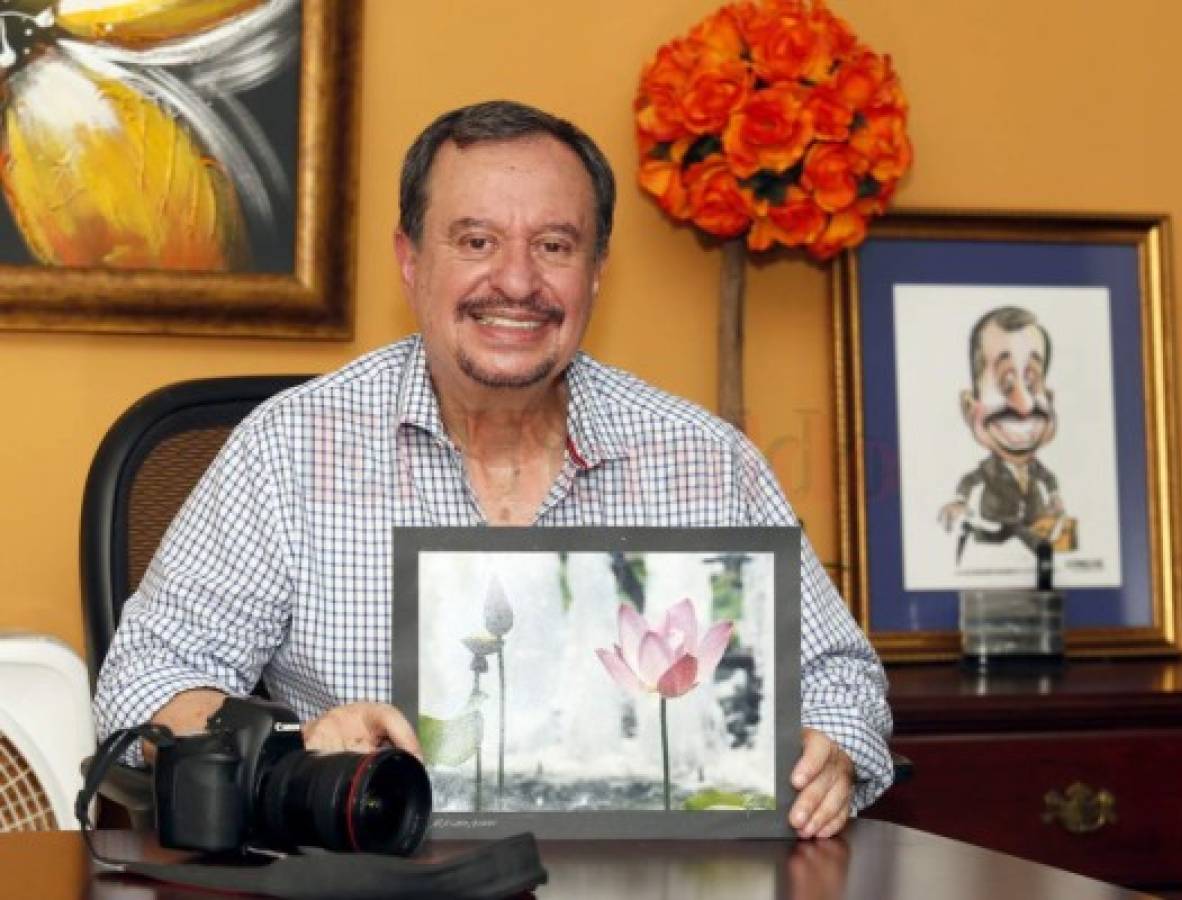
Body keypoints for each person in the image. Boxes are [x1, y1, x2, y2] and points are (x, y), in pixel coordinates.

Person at [94, 100, 893, 840]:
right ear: (410, 261)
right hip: (376, 875)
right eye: (475, 241)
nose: (516, 281)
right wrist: (293, 747)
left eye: (553, 246)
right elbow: (144, 684)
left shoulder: (703, 458)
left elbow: (838, 676)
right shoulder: (289, 449)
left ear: (596, 272)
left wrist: (834, 748)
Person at [937, 306, 1074, 560]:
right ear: (969, 408)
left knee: (1049, 545)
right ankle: (972, 534)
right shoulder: (989, 468)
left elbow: (1048, 478)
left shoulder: (1036, 467)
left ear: (1051, 401)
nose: (1024, 406)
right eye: (1006, 383)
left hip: (1032, 518)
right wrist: (959, 501)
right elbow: (970, 479)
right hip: (1000, 519)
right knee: (995, 540)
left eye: (1033, 382)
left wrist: (1055, 497)